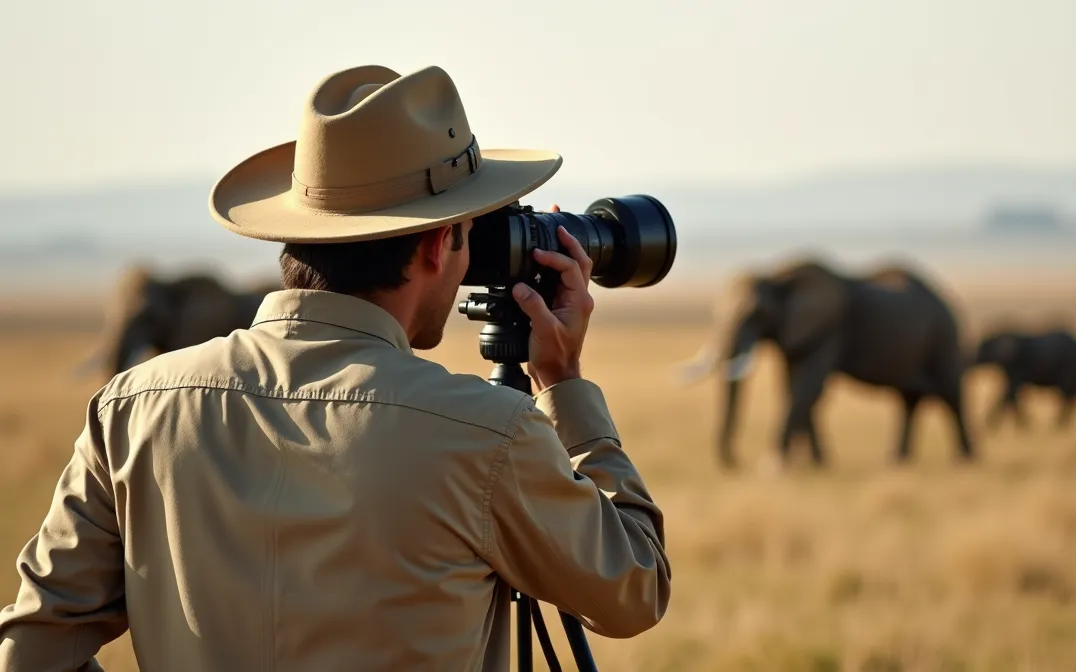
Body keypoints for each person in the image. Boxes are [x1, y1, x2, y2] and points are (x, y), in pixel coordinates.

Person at [0, 64, 671, 671]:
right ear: (440, 246)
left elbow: (31, 647)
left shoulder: (132, 410)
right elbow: (634, 590)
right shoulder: (487, 435)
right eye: (471, 234)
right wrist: (566, 386)